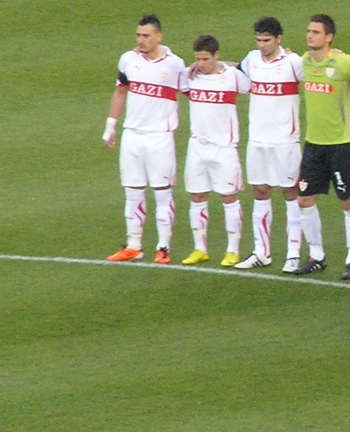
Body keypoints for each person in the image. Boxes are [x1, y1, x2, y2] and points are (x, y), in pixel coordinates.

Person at [102, 14, 187, 264]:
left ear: (159, 36)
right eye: (138, 35)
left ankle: (163, 248)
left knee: (162, 193)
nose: (141, 40)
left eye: (146, 36)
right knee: (133, 193)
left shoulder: (174, 65)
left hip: (160, 137)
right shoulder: (128, 60)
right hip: (132, 136)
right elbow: (120, 91)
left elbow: (196, 84)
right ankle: (133, 245)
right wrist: (111, 126)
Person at [294, 14, 350, 277]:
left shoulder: (344, 63)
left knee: (348, 202)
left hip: (342, 144)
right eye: (308, 31)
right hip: (314, 144)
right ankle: (317, 255)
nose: (309, 35)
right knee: (304, 199)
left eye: (315, 32)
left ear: (329, 37)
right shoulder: (303, 61)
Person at [234, 17, 304, 272]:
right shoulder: (252, 59)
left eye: (266, 40)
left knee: (290, 194)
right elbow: (237, 70)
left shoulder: (293, 63)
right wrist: (213, 65)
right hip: (258, 140)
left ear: (279, 40)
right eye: (259, 40)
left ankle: (293, 253)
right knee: (261, 191)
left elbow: (317, 73)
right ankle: (261, 252)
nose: (262, 45)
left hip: (285, 141)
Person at [178, 34, 249, 267]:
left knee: (229, 198)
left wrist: (232, 64)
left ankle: (233, 250)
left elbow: (255, 85)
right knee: (197, 196)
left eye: (206, 59)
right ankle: (200, 248)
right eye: (197, 58)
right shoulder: (191, 77)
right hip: (197, 146)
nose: (201, 63)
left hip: (224, 148)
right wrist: (193, 67)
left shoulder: (233, 77)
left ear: (217, 56)